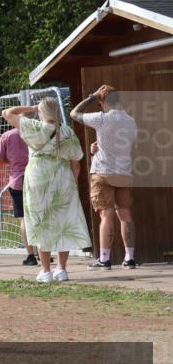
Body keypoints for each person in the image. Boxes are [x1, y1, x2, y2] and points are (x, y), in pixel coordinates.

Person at [3, 98, 90, 283]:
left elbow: (7, 112)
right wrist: (73, 183)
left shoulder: (34, 127)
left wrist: (32, 107)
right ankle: (62, 269)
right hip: (63, 178)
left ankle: (45, 271)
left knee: (41, 221)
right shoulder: (67, 132)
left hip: (38, 178)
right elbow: (76, 162)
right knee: (64, 222)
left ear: (41, 111)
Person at [70, 84, 138, 270]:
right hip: (124, 173)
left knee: (106, 215)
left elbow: (74, 113)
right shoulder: (131, 121)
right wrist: (98, 147)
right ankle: (130, 258)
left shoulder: (101, 118)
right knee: (125, 214)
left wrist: (92, 97)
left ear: (102, 102)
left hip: (103, 172)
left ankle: (105, 259)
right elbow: (121, 144)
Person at [0, 124, 38, 265]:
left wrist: (11, 160)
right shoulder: (36, 131)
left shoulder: (7, 136)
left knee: (24, 218)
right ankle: (43, 251)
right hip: (36, 178)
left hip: (17, 180)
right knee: (38, 216)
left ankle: (31, 255)